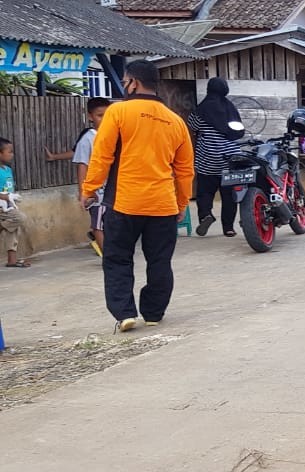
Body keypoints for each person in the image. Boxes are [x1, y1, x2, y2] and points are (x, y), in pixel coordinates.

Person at [83, 59, 195, 333]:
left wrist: (89, 189)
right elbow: (184, 170)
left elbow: (102, 155)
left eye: (124, 81)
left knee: (117, 258)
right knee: (159, 260)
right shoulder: (175, 120)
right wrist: (182, 203)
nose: (124, 86)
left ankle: (125, 313)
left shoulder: (117, 111)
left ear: (133, 82)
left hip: (125, 202)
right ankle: (154, 313)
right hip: (163, 205)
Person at [45, 97, 113, 254]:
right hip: (98, 193)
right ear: (90, 116)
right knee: (98, 226)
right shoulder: (88, 138)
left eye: (107, 115)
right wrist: (84, 192)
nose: (104, 119)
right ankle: (108, 258)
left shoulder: (113, 135)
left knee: (110, 224)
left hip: (113, 191)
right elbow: (82, 164)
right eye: (100, 115)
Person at [188, 78, 245, 237]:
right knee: (229, 196)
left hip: (208, 157)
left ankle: (206, 215)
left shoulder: (202, 108)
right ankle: (228, 228)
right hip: (230, 158)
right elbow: (239, 131)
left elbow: (192, 125)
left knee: (205, 192)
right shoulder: (231, 108)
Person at [0, 137, 32, 268]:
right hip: (1, 206)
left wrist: (12, 197)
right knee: (20, 218)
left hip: (8, 206)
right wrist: (5, 197)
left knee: (13, 230)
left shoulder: (7, 170)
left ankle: (12, 260)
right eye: (10, 151)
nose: (12, 154)